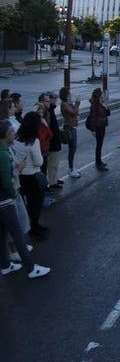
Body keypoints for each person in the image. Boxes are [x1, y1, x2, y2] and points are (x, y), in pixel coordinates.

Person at [0, 118, 50, 279]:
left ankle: (5, 265)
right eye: (11, 132)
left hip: (3, 199)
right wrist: (16, 174)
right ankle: (30, 268)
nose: (14, 133)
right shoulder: (2, 154)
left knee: (2, 234)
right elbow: (6, 180)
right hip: (6, 199)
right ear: (5, 135)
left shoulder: (6, 149)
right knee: (18, 234)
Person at [12, 112, 48, 239]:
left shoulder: (16, 138)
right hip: (32, 176)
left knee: (26, 204)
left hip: (21, 176)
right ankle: (34, 228)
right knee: (36, 205)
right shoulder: (34, 141)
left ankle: (33, 226)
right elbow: (39, 161)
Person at [58, 86, 81, 179]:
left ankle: (71, 167)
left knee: (73, 148)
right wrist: (77, 103)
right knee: (72, 148)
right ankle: (71, 169)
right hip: (69, 127)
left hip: (73, 126)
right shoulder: (64, 104)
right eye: (69, 92)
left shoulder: (67, 103)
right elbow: (73, 112)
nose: (70, 93)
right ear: (66, 94)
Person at [87, 88, 110, 171]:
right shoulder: (95, 105)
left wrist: (105, 106)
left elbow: (108, 113)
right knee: (99, 145)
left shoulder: (101, 103)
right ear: (99, 95)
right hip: (98, 127)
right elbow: (93, 118)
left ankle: (99, 161)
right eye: (102, 94)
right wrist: (93, 130)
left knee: (100, 144)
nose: (103, 95)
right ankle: (98, 163)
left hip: (102, 125)